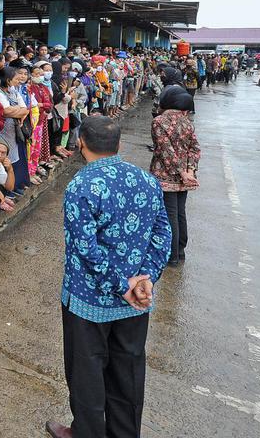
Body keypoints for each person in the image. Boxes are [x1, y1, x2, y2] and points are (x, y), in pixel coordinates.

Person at [45, 116, 171, 438]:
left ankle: (86, 433)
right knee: (128, 372)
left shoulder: (80, 186)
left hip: (89, 302)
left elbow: (84, 248)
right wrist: (146, 280)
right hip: (135, 302)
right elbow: (162, 233)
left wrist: (120, 286)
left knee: (86, 374)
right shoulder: (146, 180)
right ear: (119, 145)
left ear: (80, 143)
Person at [150, 87, 199, 267]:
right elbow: (195, 149)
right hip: (185, 177)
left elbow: (165, 151)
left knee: (169, 214)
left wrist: (182, 172)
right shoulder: (187, 122)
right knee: (180, 212)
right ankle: (180, 250)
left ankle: (172, 255)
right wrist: (190, 171)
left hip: (166, 175)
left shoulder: (159, 121)